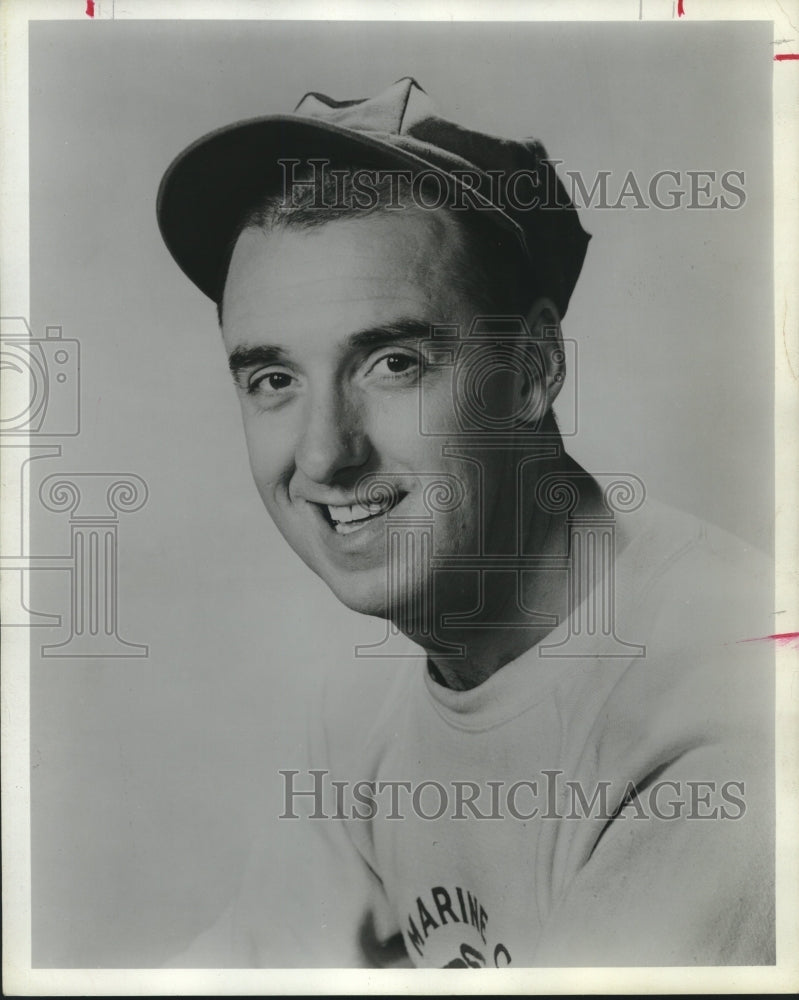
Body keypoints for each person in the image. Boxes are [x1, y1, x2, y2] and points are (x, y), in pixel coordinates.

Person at [157, 78, 774, 968]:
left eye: (392, 362)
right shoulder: (368, 704)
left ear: (530, 370)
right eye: (273, 380)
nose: (326, 455)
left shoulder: (725, 721)